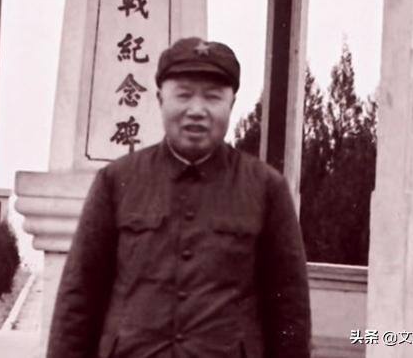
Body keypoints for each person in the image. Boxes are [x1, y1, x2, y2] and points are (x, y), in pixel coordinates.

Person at [47, 37, 311, 358]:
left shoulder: (266, 188)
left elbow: (289, 308)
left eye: (212, 97)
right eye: (183, 95)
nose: (196, 110)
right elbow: (79, 296)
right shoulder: (116, 181)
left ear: (231, 104)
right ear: (160, 99)